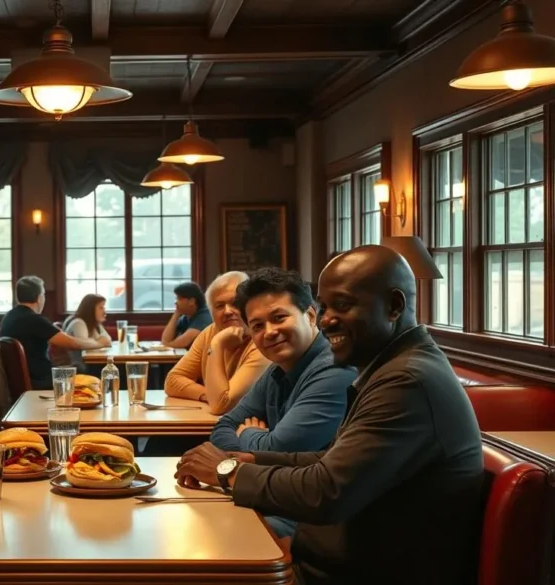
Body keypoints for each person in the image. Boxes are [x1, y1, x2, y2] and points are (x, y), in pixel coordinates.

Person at [176, 245, 483, 585]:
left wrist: (227, 471)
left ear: (394, 306)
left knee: (189, 565)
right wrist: (250, 457)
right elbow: (330, 462)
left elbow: (326, 492)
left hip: (361, 574)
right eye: (325, 307)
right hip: (336, 558)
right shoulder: (392, 367)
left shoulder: (406, 380)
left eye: (343, 305)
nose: (327, 319)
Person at [206, 268, 354, 538]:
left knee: (219, 536)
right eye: (258, 325)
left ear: (310, 316)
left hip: (318, 519)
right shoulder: (277, 370)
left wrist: (248, 433)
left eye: (279, 318)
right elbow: (224, 426)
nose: (270, 332)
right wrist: (254, 445)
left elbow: (280, 448)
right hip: (273, 497)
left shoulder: (335, 369)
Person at [164, 272, 270, 413]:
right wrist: (208, 395)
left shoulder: (263, 339)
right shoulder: (211, 331)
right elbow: (172, 381)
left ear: (250, 304)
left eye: (235, 303)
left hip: (250, 428)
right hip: (214, 423)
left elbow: (222, 404)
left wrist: (217, 344)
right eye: (219, 306)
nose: (227, 311)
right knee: (160, 435)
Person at [0, 276, 110, 389]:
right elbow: (73, 343)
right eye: (44, 295)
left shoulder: (8, 317)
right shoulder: (34, 320)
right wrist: (100, 343)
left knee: (82, 370)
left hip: (20, 380)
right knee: (94, 377)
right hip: (43, 378)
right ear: (39, 298)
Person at [50, 293, 112, 373]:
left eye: (104, 307)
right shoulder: (78, 323)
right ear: (90, 309)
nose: (104, 311)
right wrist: (100, 342)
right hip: (78, 368)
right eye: (101, 308)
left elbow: (108, 340)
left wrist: (100, 342)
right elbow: (84, 345)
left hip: (87, 366)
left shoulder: (94, 323)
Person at [160, 281, 213, 349]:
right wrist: (176, 313)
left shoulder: (205, 317)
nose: (175, 302)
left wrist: (177, 312)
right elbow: (165, 340)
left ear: (191, 301)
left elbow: (175, 344)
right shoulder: (187, 316)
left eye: (179, 298)